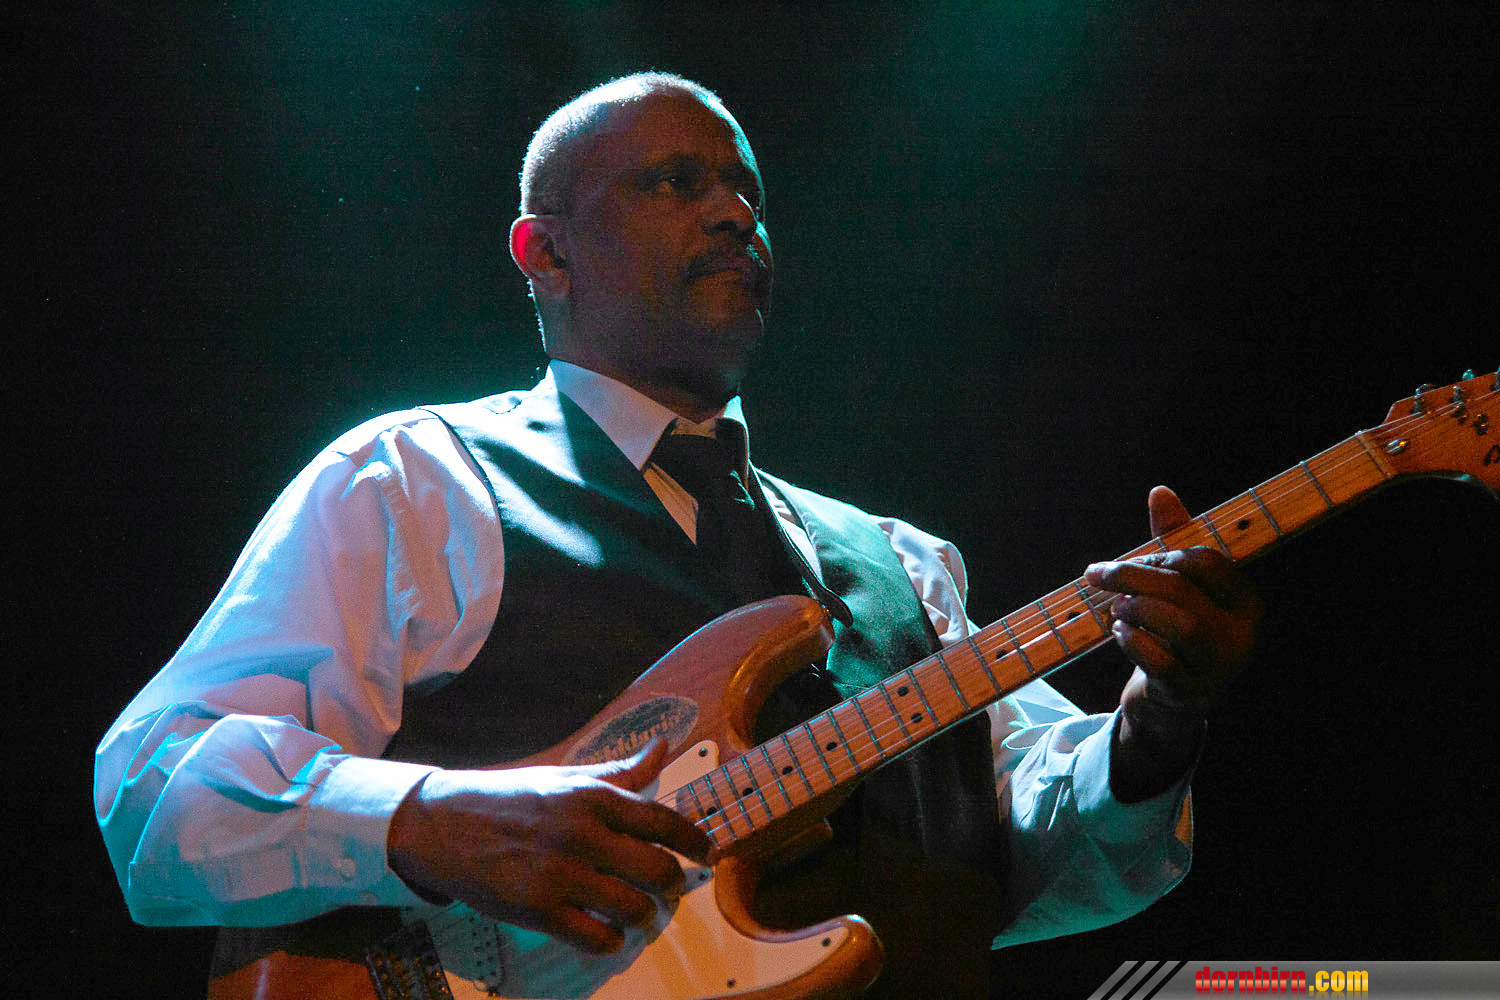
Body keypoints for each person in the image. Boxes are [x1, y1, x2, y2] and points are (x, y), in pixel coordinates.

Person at [95, 73, 1259, 998]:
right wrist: (423, 820)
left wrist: (1159, 719)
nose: (735, 212)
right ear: (545, 251)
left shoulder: (900, 562)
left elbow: (1042, 868)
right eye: (674, 181)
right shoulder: (412, 483)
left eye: (748, 189)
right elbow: (155, 784)